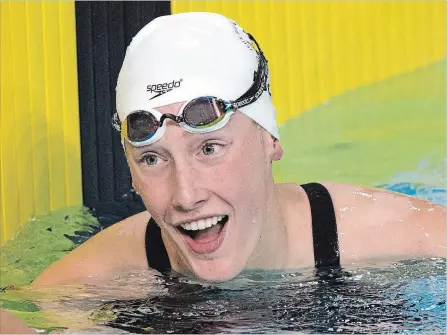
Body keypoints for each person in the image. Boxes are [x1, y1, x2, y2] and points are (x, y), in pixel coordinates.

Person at [32, 12, 445, 286]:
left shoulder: (411, 239)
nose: (186, 196)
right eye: (153, 159)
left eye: (209, 149)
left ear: (270, 140)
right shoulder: (93, 280)